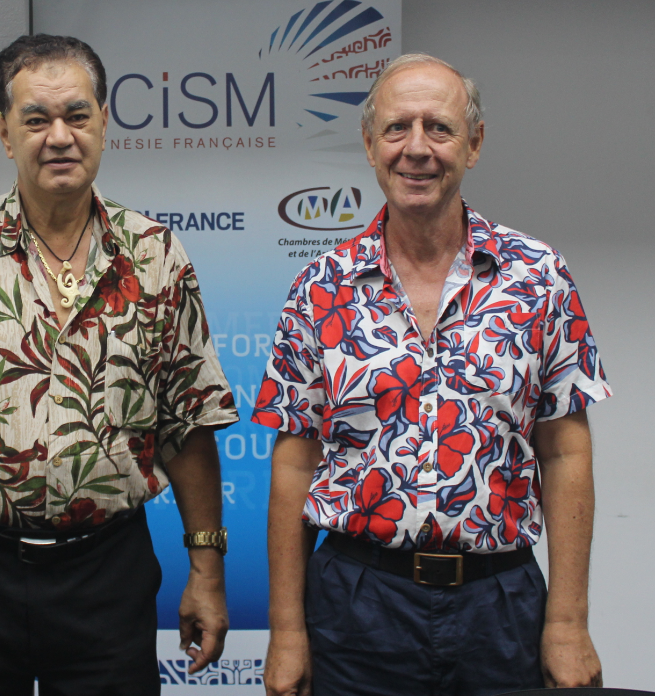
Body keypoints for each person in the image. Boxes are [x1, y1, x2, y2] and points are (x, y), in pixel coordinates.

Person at [0, 34, 238, 695]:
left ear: (103, 123)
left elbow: (188, 424)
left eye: (76, 115)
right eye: (36, 119)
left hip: (104, 576)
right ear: (5, 133)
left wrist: (206, 569)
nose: (58, 135)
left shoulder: (153, 254)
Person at [254, 53, 610, 696]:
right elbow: (293, 464)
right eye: (397, 129)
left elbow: (565, 454)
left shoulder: (538, 277)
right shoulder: (318, 290)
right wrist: (286, 631)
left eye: (438, 129)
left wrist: (567, 622)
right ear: (369, 143)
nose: (416, 149)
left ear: (473, 145)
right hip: (356, 608)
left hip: (499, 605)